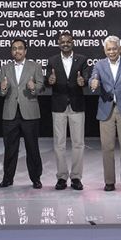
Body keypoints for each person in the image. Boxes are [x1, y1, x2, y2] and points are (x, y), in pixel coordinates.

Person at [90, 35, 121, 192]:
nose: (111, 52)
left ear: (120, 49)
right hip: (106, 109)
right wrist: (93, 83)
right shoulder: (99, 64)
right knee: (107, 148)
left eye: (114, 49)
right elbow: (93, 79)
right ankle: (109, 182)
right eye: (108, 49)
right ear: (104, 50)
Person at [0, 38, 44, 188]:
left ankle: (36, 178)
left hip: (30, 112)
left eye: (20, 48)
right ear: (11, 51)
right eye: (14, 48)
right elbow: (2, 91)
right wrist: (3, 88)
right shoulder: (5, 68)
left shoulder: (35, 66)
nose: (17, 51)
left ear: (25, 51)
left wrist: (33, 87)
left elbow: (41, 86)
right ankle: (7, 179)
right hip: (10, 113)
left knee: (32, 147)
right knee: (10, 149)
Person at [46, 31, 89, 190]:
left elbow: (86, 78)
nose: (65, 44)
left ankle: (76, 177)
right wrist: (50, 81)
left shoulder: (82, 59)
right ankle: (62, 177)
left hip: (77, 105)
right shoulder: (52, 60)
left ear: (73, 42)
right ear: (59, 43)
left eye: (68, 41)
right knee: (59, 144)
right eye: (62, 42)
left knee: (78, 143)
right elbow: (47, 81)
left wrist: (83, 81)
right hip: (59, 105)